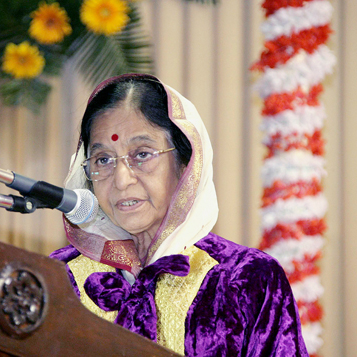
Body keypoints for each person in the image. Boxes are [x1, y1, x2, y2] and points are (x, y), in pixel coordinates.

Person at [50, 74, 308, 356]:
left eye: (142, 154)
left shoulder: (245, 278)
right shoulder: (60, 278)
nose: (121, 179)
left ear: (186, 164)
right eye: (104, 159)